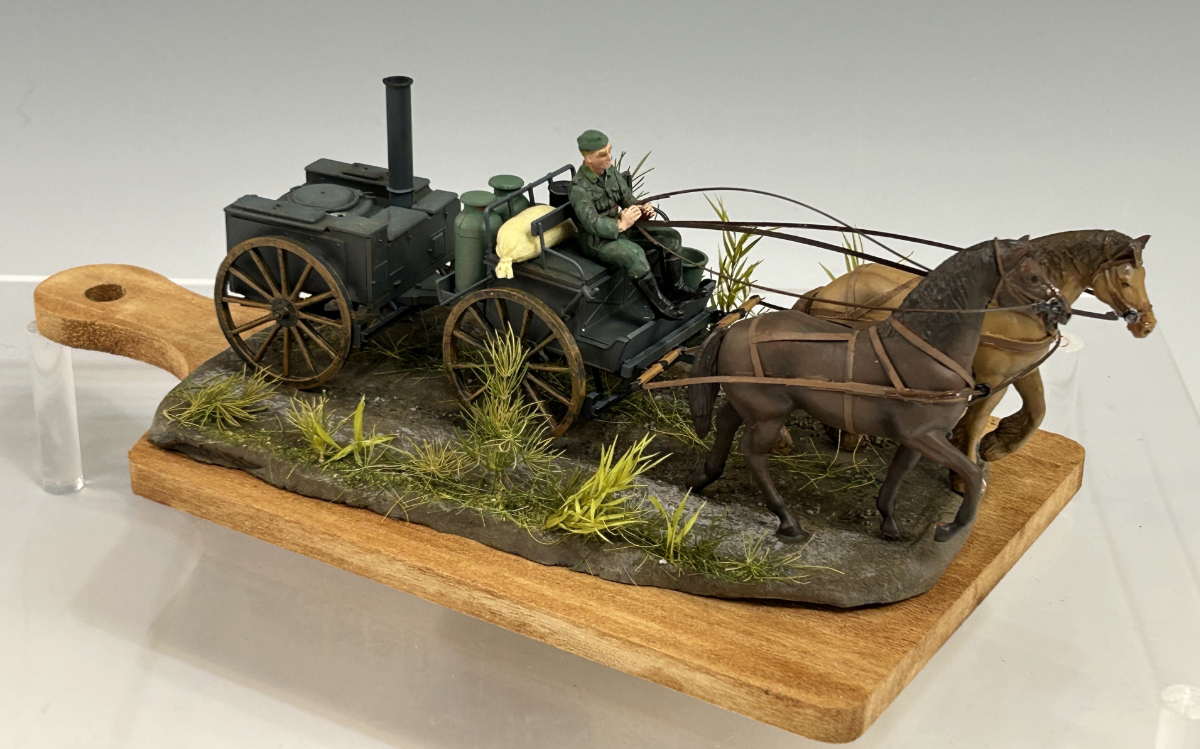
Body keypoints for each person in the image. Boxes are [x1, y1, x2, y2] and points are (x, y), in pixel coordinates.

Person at [568, 130, 703, 320]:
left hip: (625, 226)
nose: (609, 157)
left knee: (670, 237)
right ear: (588, 158)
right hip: (597, 240)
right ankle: (660, 306)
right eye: (602, 154)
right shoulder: (579, 188)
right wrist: (620, 225)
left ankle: (676, 289)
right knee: (634, 255)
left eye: (609, 151)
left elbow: (627, 198)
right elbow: (592, 224)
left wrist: (641, 208)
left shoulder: (611, 173)